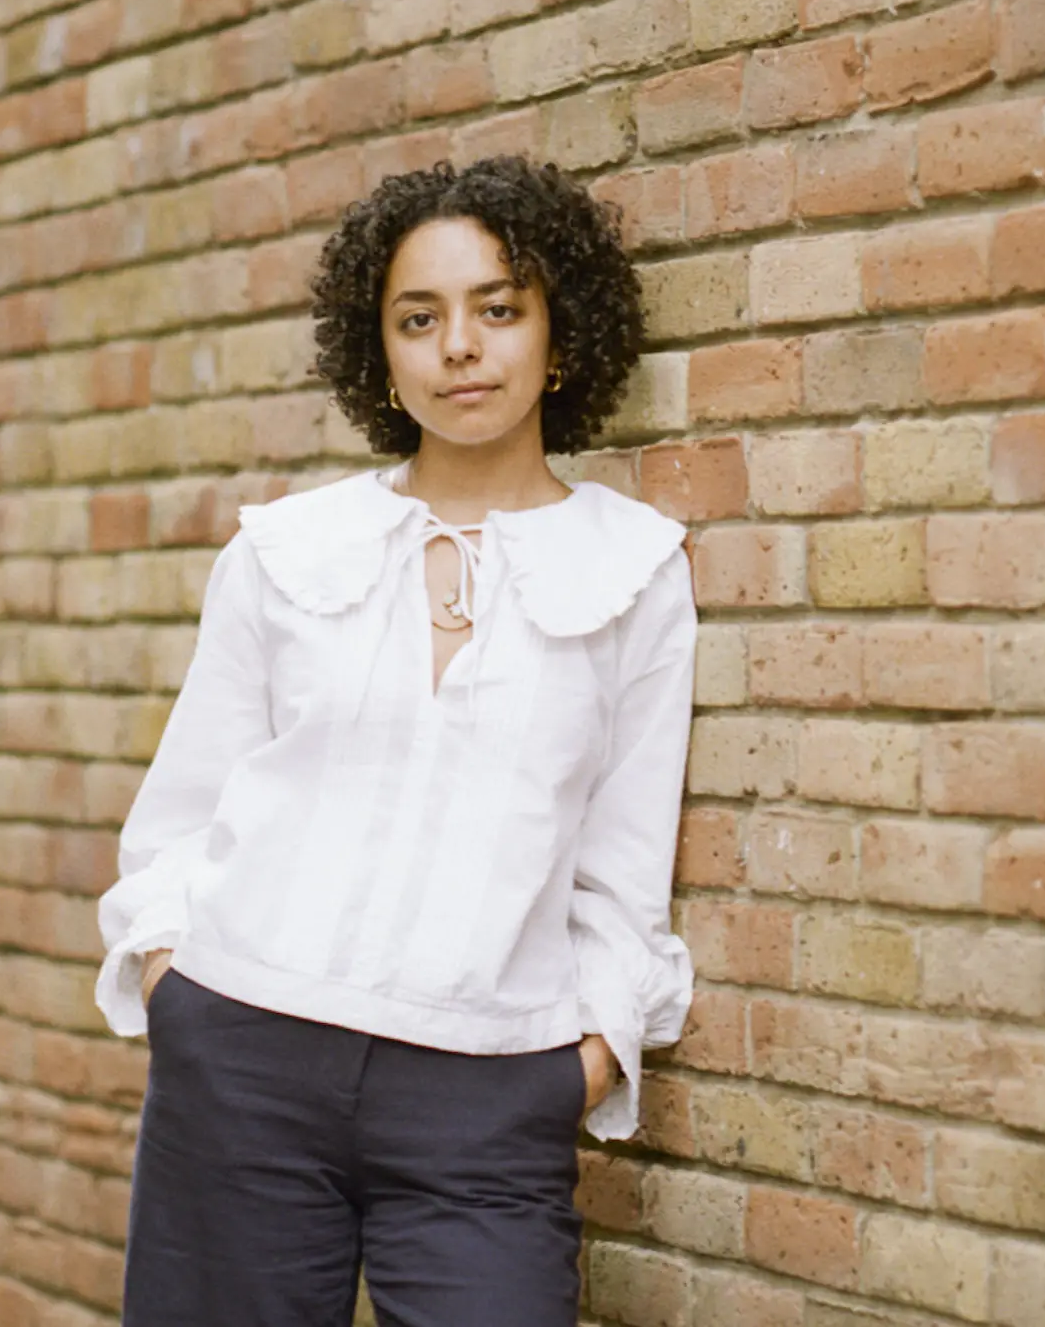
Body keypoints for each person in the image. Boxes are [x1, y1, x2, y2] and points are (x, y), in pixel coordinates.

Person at [93, 155, 698, 1327]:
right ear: (382, 351)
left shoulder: (634, 573)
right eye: (419, 320)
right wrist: (179, 989)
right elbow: (180, 816)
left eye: (498, 309)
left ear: (560, 335)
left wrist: (575, 1067)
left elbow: (625, 873)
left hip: (485, 1099)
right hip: (242, 1061)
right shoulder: (285, 549)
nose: (458, 347)